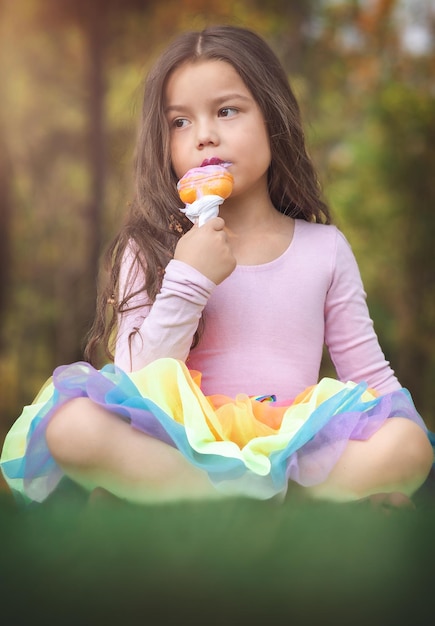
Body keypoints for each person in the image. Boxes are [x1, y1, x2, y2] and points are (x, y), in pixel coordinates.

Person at [1, 25, 433, 507]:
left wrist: (399, 443)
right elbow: (131, 383)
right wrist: (189, 279)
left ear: (273, 120)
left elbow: (372, 378)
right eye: (180, 122)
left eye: (227, 111)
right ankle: (256, 497)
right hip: (183, 440)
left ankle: (206, 495)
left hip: (294, 448)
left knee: (410, 445)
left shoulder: (324, 249)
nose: (204, 136)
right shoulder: (149, 247)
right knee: (72, 426)